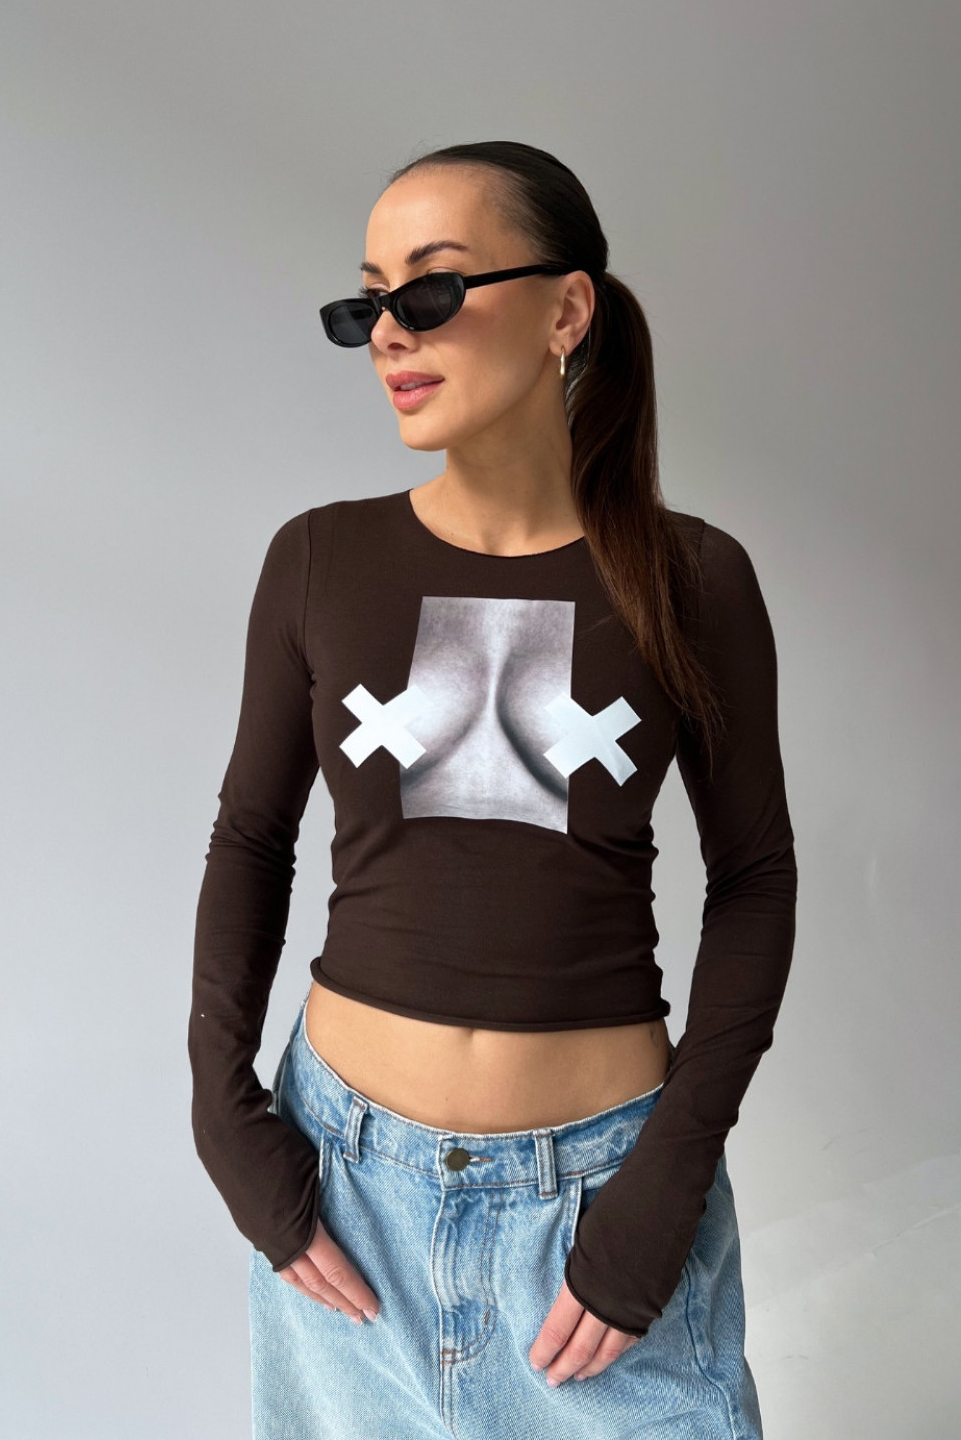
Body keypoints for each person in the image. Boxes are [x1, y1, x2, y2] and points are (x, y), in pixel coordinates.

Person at [188, 139, 798, 1440]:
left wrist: (670, 1180)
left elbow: (754, 879)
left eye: (432, 288)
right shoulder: (320, 559)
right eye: (368, 302)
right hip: (344, 1201)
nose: (389, 334)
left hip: (601, 1215)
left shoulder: (692, 579)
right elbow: (250, 839)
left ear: (566, 310)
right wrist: (222, 1113)